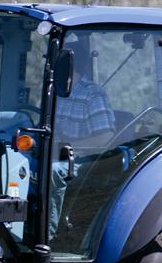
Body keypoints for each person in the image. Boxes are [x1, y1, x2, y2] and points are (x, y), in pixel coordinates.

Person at [49, 33, 116, 240]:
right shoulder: (56, 92)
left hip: (83, 160)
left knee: (51, 171)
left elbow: (106, 138)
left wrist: (65, 145)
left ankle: (48, 234)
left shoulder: (92, 94)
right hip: (58, 152)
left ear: (69, 63)